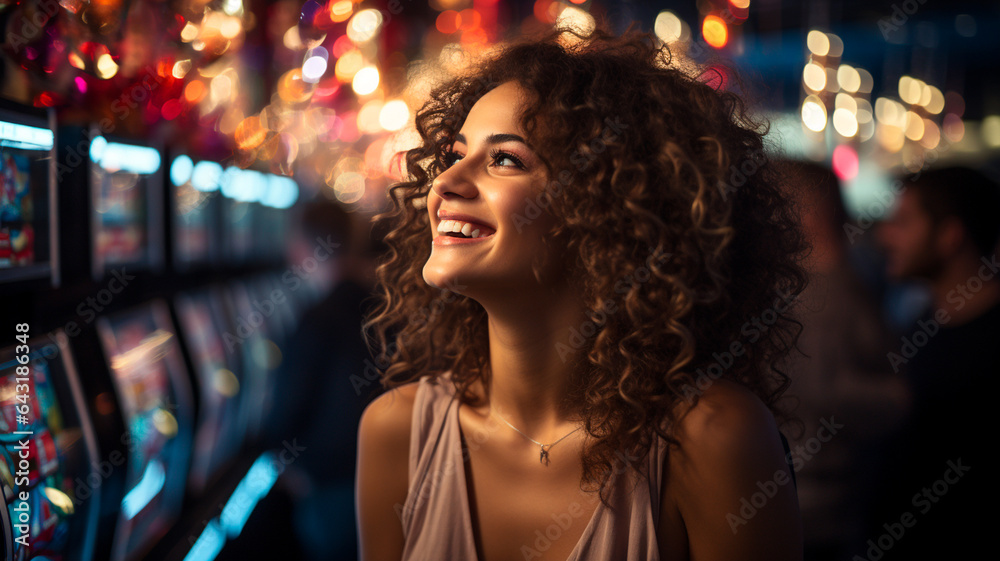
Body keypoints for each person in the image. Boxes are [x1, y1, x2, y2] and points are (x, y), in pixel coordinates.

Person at [357, 24, 807, 561]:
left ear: (611, 209)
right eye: (454, 154)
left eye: (505, 159)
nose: (446, 183)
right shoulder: (397, 432)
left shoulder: (713, 439)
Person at [774, 161, 910, 561]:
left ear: (805, 211)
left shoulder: (818, 296)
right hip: (823, 505)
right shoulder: (849, 282)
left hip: (813, 509)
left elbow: (832, 392)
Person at [869, 166, 1000, 559]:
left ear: (950, 236)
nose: (884, 235)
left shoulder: (988, 344)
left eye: (903, 222)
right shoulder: (925, 325)